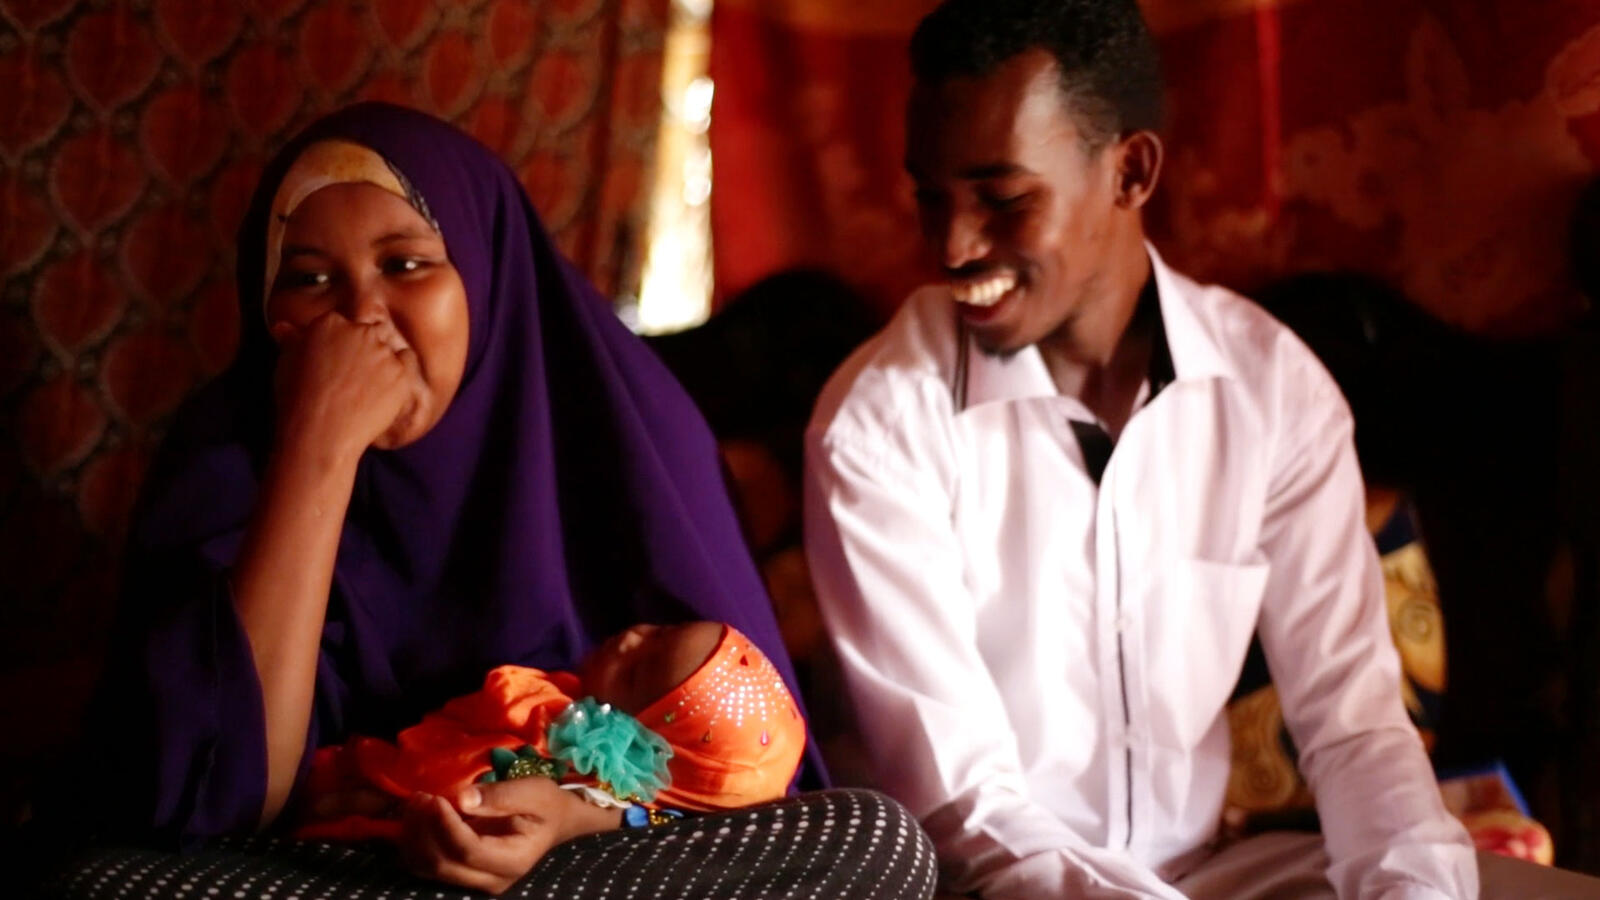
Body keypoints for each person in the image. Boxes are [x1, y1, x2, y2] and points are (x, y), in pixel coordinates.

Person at [804, 1, 1598, 896]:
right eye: (931, 197)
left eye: (1003, 198)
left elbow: (1354, 726)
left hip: (1212, 872)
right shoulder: (875, 427)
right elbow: (969, 814)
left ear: (1131, 171)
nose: (953, 245)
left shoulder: (1273, 390)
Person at [47, 103, 935, 900]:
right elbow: (218, 793)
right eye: (310, 280)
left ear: (485, 276)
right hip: (334, 872)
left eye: (406, 265)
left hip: (577, 870)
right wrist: (317, 451)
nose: (361, 314)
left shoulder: (627, 433)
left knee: (873, 839)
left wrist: (572, 816)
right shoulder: (226, 455)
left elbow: (747, 770)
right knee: (99, 882)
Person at [296, 621, 806, 842]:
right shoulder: (567, 696)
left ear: (640, 743)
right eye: (660, 631)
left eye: (636, 673)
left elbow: (464, 781)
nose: (631, 638)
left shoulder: (558, 751)